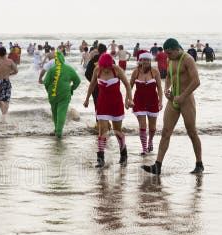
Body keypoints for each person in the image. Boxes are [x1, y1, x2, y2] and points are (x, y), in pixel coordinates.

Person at [141, 38, 203, 175]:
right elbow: (169, 77)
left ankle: (199, 164)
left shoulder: (188, 59)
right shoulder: (170, 60)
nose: (167, 56)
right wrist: (167, 89)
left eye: (170, 53)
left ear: (177, 49)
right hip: (173, 100)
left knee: (192, 132)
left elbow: (196, 81)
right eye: (166, 53)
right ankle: (157, 165)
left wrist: (183, 96)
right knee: (165, 132)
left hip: (186, 100)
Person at [83, 53, 133, 167]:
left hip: (116, 103)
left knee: (117, 130)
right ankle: (100, 158)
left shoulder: (117, 70)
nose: (105, 70)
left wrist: (129, 99)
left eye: (107, 67)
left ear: (111, 64)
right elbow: (92, 85)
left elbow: (127, 85)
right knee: (102, 131)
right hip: (102, 104)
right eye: (103, 67)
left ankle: (123, 153)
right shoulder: (97, 70)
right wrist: (86, 99)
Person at [131, 53, 164, 155]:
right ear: (140, 60)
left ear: (150, 61)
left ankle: (150, 141)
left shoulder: (155, 72)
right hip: (139, 101)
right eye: (144, 60)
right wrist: (128, 99)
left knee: (152, 127)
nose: (146, 62)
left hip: (152, 101)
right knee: (142, 125)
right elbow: (129, 86)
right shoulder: (135, 72)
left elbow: (159, 87)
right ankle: (144, 148)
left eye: (148, 60)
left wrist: (161, 101)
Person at [43, 51, 80, 138]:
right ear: (63, 59)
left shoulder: (51, 69)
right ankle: (58, 131)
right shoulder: (69, 69)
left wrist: (48, 90)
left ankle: (56, 129)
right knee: (62, 112)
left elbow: (45, 82)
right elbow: (77, 81)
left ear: (56, 60)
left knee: (55, 112)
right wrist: (72, 88)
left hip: (53, 94)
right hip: (65, 94)